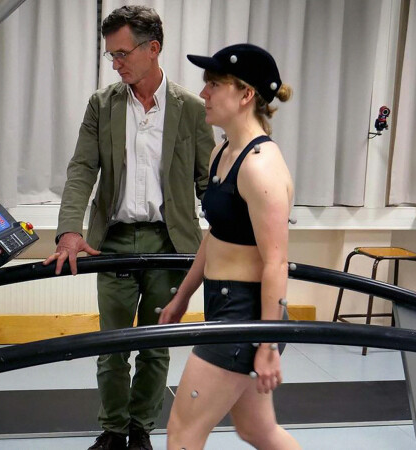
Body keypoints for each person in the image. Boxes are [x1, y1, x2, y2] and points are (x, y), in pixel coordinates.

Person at [43, 5, 215, 450]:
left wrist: (231, 236)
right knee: (112, 346)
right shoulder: (102, 105)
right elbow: (82, 169)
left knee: (155, 346)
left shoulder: (192, 109)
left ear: (153, 48)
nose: (116, 63)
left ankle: (140, 430)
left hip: (169, 241)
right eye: (111, 55)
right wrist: (69, 231)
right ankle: (113, 429)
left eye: (122, 54)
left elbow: (207, 182)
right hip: (114, 242)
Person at [158, 43, 301, 450]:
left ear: (245, 94)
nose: (203, 93)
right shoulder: (223, 152)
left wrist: (268, 344)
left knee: (182, 433)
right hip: (224, 303)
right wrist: (182, 296)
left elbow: (276, 262)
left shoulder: (260, 167)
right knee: (257, 430)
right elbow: (216, 235)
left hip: (246, 314)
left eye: (214, 84)